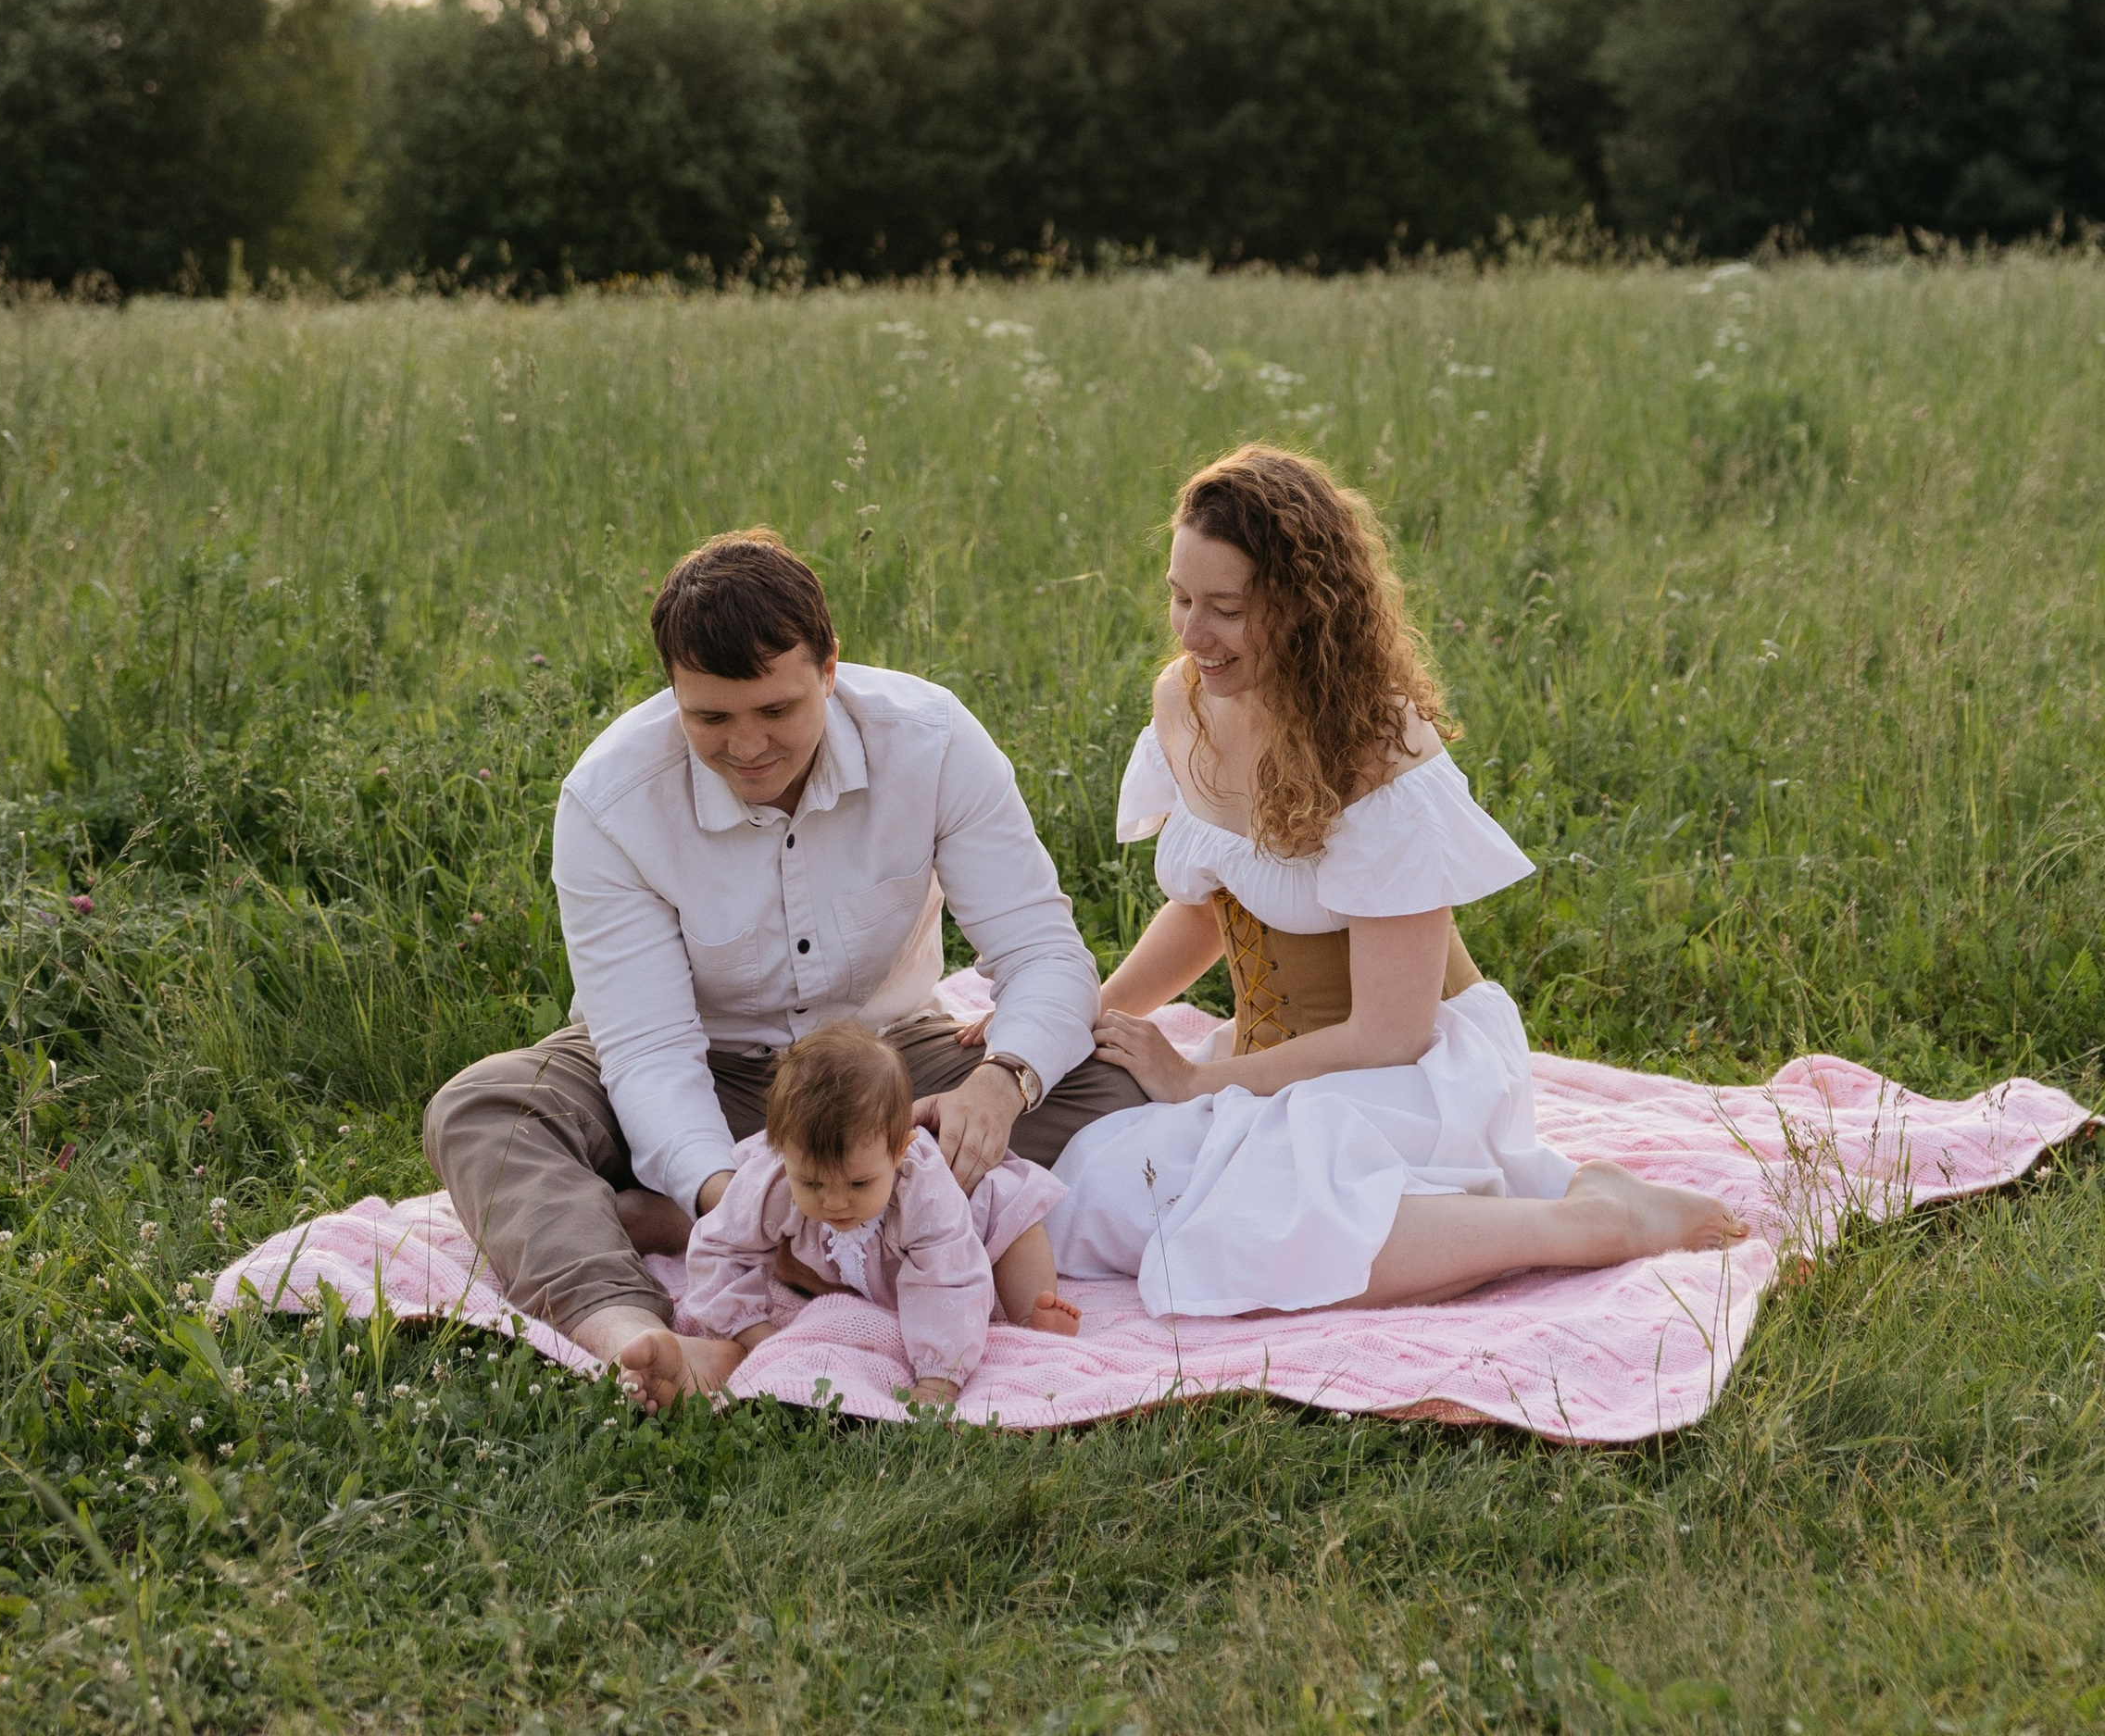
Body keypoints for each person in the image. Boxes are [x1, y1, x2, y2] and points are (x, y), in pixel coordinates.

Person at [422, 529, 1146, 1405]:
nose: (748, 746)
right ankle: (639, 1335)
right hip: (704, 1070)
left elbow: (1041, 949)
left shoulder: (931, 739)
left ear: (830, 667)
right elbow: (649, 1050)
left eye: (777, 710)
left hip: (884, 1067)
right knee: (486, 1110)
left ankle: (737, 1228)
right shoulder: (610, 800)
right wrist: (741, 1193)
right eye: (711, 718)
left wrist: (998, 1087)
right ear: (674, 693)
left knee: (1108, 1082)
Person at [1050, 445, 1748, 1313]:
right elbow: (1204, 905)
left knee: (1261, 1244)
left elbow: (1390, 1033)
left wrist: (1194, 1083)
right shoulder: (1184, 703)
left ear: (1303, 610)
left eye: (1225, 609)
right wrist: (1094, 1015)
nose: (1192, 634)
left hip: (1412, 1070)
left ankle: (1593, 1220)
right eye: (1179, 596)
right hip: (1279, 1060)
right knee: (1090, 1200)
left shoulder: (1380, 757)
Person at [641, 1018, 1081, 1414]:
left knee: (1016, 1223)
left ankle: (1030, 1319)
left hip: (972, 1235)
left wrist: (937, 1378)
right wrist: (751, 1330)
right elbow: (720, 1247)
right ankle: (652, 1218)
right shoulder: (772, 1181)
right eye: (811, 1184)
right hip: (853, 1266)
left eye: (857, 1184)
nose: (834, 1204)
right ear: (781, 1153)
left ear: (900, 1152)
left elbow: (948, 1278)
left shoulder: (924, 1194)